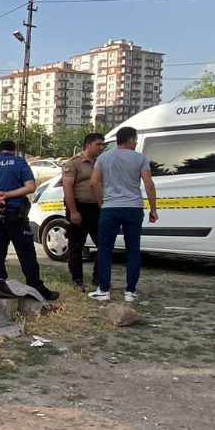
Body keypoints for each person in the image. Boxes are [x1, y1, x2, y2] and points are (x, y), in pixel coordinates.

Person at [0, 140, 60, 301]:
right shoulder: (19, 162)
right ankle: (35, 285)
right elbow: (30, 187)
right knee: (26, 252)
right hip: (15, 214)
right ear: (14, 151)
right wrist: (7, 195)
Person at [88, 126, 158, 303]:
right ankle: (130, 291)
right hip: (133, 207)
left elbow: (93, 182)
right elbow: (149, 184)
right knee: (133, 249)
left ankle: (104, 289)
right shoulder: (140, 158)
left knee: (105, 249)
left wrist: (100, 202)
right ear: (129, 140)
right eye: (134, 139)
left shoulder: (103, 157)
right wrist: (153, 209)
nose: (135, 142)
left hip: (110, 208)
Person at [61, 132, 106, 291]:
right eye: (98, 144)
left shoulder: (101, 163)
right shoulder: (74, 163)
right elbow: (67, 188)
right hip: (79, 207)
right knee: (76, 245)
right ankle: (77, 279)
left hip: (97, 208)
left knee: (104, 243)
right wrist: (73, 211)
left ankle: (98, 277)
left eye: (103, 144)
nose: (102, 147)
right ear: (88, 145)